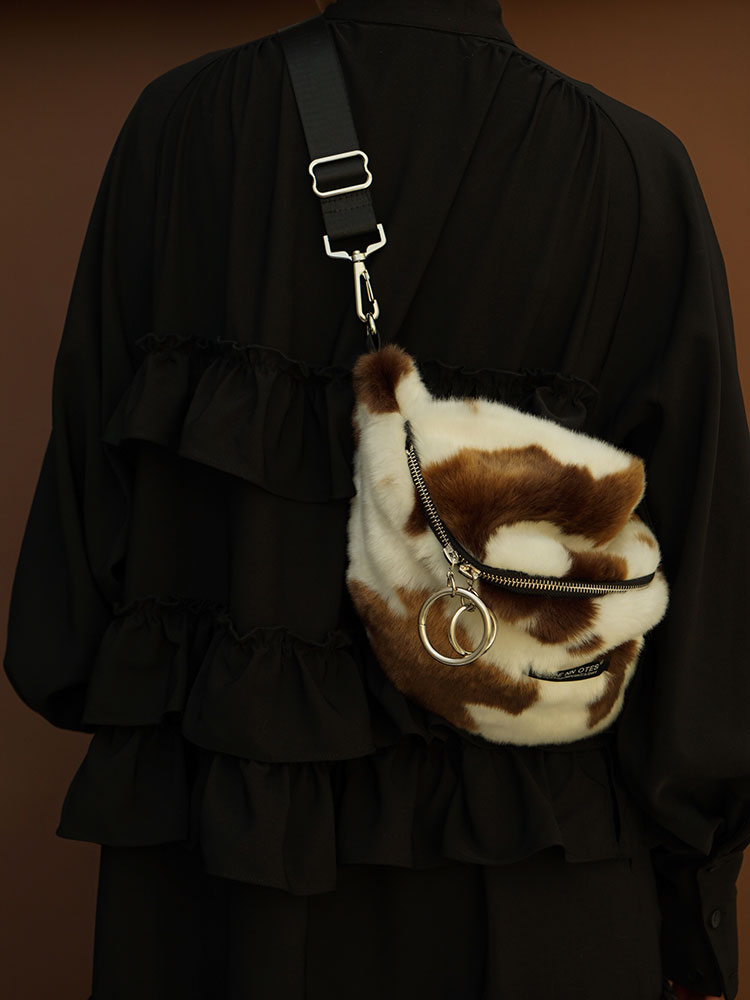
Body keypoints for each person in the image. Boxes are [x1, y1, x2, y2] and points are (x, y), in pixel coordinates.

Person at [4, 1, 749, 997]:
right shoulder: (632, 168)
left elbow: (69, 596)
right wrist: (697, 898)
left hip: (228, 875)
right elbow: (708, 586)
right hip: (539, 873)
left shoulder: (178, 130)